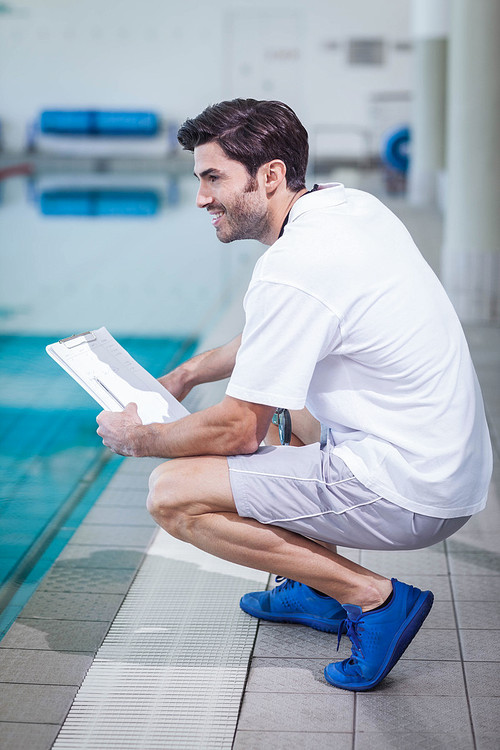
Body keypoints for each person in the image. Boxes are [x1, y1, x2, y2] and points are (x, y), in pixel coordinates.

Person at [96, 98, 492, 692]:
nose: (201, 198)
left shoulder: (293, 266)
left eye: (213, 178)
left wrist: (142, 437)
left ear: (271, 175)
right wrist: (183, 376)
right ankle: (312, 592)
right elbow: (274, 334)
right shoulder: (348, 207)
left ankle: (374, 600)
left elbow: (237, 431)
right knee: (287, 394)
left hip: (413, 489)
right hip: (448, 465)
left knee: (173, 494)